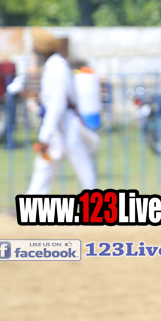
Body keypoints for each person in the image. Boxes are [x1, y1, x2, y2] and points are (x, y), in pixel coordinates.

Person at [25, 28, 98, 195]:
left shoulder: (58, 68)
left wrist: (46, 132)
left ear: (42, 50)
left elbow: (57, 103)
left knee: (82, 167)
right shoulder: (52, 67)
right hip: (58, 128)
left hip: (66, 125)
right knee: (44, 169)